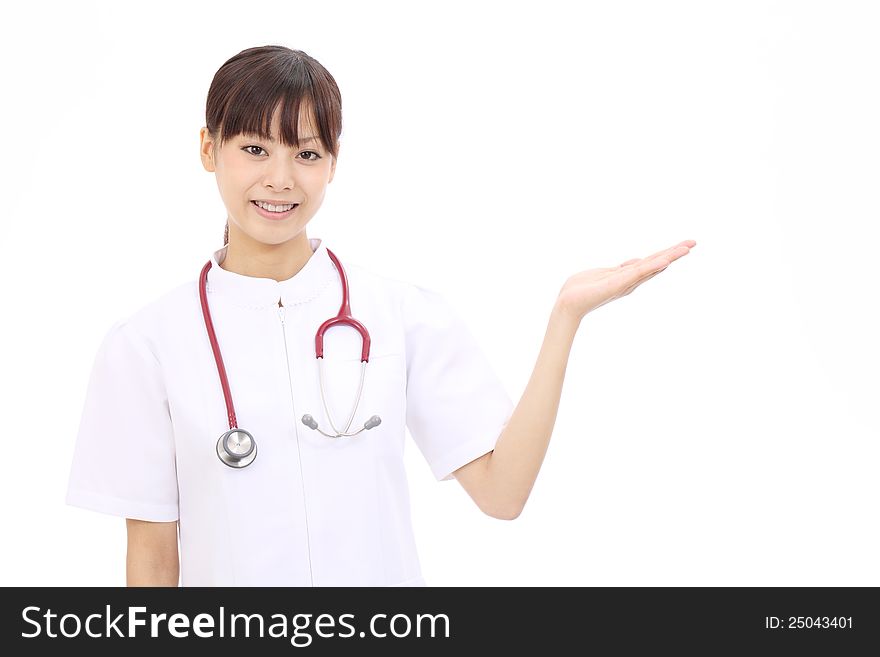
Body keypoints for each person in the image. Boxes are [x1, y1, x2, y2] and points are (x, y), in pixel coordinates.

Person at [65, 45, 696, 587]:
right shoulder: (147, 345)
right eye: (254, 148)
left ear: (334, 161)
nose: (281, 179)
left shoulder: (402, 317)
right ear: (209, 149)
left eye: (306, 154)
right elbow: (150, 565)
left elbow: (503, 494)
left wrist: (565, 319)